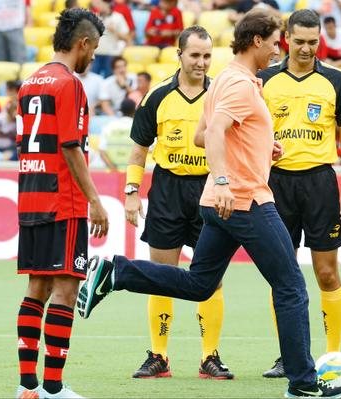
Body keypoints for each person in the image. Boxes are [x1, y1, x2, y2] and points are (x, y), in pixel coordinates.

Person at [76, 8, 341, 398]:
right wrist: (222, 179)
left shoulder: (224, 81)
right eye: (275, 41)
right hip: (243, 200)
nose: (279, 48)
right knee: (291, 287)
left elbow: (202, 135)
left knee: (199, 283)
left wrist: (258, 146)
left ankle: (115, 272)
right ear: (257, 41)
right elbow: (216, 131)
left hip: (218, 203)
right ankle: (304, 383)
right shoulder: (238, 84)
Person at [122, 25, 234, 380]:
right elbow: (139, 150)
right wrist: (130, 192)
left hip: (208, 189)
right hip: (168, 189)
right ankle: (159, 356)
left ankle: (209, 357)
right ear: (179, 55)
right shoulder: (156, 97)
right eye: (195, 55)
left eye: (206, 56)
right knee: (162, 275)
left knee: (211, 277)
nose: (201, 62)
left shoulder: (221, 94)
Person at [256, 8, 341, 379]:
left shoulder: (335, 80)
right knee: (280, 273)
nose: (305, 48)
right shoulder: (263, 80)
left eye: (312, 42)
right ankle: (289, 355)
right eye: (299, 41)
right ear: (286, 38)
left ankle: (332, 355)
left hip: (319, 183)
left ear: (320, 40)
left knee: (327, 273)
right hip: (276, 184)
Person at [14, 8, 108, 399]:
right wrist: (95, 201)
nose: (92, 57)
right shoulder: (68, 84)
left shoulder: (29, 82)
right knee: (66, 290)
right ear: (82, 43)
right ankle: (53, 388)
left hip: (30, 196)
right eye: (94, 48)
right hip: (62, 200)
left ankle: (27, 387)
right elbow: (71, 147)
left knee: (37, 287)